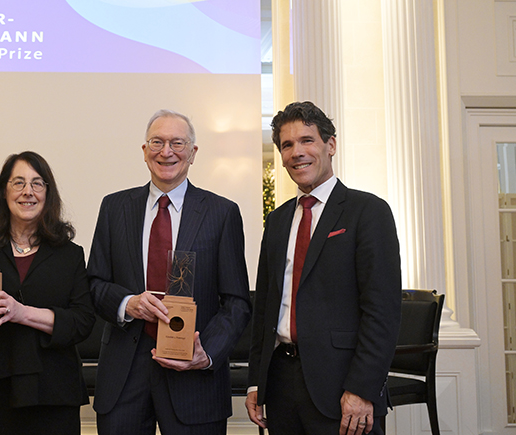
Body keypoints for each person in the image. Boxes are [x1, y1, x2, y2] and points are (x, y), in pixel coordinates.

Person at [87, 109, 251, 434]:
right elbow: (94, 284)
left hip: (194, 376)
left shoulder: (222, 213)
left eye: (177, 143)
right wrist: (127, 303)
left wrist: (207, 354)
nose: (167, 152)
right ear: (144, 151)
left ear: (193, 153)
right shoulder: (114, 208)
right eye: (157, 142)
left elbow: (237, 302)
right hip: (124, 373)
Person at [246, 101, 401, 435]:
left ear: (330, 145)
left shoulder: (368, 212)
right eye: (287, 145)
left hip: (344, 388)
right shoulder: (277, 220)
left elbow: (382, 310)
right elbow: (265, 308)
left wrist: (361, 389)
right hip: (281, 385)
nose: (296, 152)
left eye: (307, 140)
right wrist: (256, 382)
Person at [0, 151, 96, 435]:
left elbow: (82, 322)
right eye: (18, 183)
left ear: (48, 193)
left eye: (37, 183)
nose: (28, 192)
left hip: (54, 392)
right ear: (3, 191)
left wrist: (22, 313)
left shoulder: (69, 255)